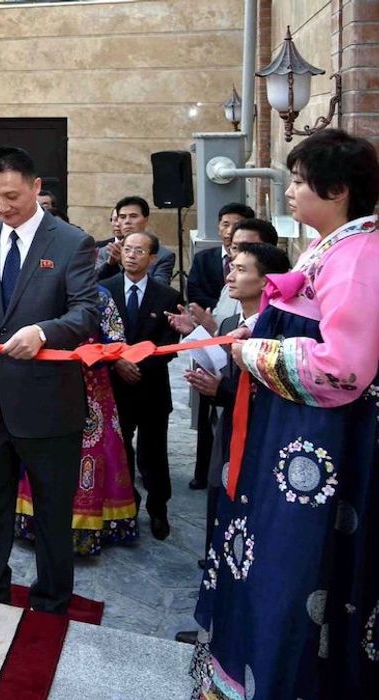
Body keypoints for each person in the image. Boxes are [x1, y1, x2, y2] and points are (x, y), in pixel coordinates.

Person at [191, 129, 379, 699]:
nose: (289, 190)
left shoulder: (358, 257)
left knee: (297, 573)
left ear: (339, 189)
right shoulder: (334, 247)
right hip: (295, 441)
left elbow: (343, 367)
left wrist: (254, 350)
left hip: (325, 453)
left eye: (299, 181)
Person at [0, 145, 98, 614]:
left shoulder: (72, 242)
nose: (2, 205)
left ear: (36, 187)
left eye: (11, 195)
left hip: (48, 403)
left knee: (53, 509)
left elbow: (86, 313)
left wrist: (43, 332)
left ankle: (52, 598)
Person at [166, 242, 291, 584]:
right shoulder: (235, 322)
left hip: (252, 440)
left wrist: (220, 389)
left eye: (241, 269)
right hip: (227, 429)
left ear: (268, 282)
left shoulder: (273, 330)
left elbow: (268, 394)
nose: (230, 276)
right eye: (231, 266)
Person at [16, 283, 138, 555]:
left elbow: (117, 338)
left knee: (94, 453)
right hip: (48, 381)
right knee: (44, 451)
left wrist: (99, 353)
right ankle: (39, 522)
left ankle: (88, 525)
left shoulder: (101, 295)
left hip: (92, 384)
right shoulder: (43, 288)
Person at [102, 231, 182, 540]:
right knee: (120, 450)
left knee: (154, 452)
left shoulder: (168, 296)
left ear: (152, 258)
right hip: (115, 386)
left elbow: (169, 344)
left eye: (139, 251)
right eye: (127, 249)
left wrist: (137, 365)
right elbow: (98, 337)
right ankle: (127, 505)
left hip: (152, 387)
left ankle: (158, 508)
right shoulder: (104, 291)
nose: (131, 255)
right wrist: (118, 363)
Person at [184, 202, 256, 491]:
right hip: (221, 382)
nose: (231, 273)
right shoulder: (227, 286)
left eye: (245, 251)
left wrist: (212, 329)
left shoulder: (278, 319)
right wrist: (201, 329)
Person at [97, 196, 175, 286]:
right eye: (122, 217)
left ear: (146, 220)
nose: (127, 221)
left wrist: (126, 264)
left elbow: (161, 288)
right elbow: (92, 284)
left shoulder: (162, 255)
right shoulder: (105, 252)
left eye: (133, 216)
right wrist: (110, 265)